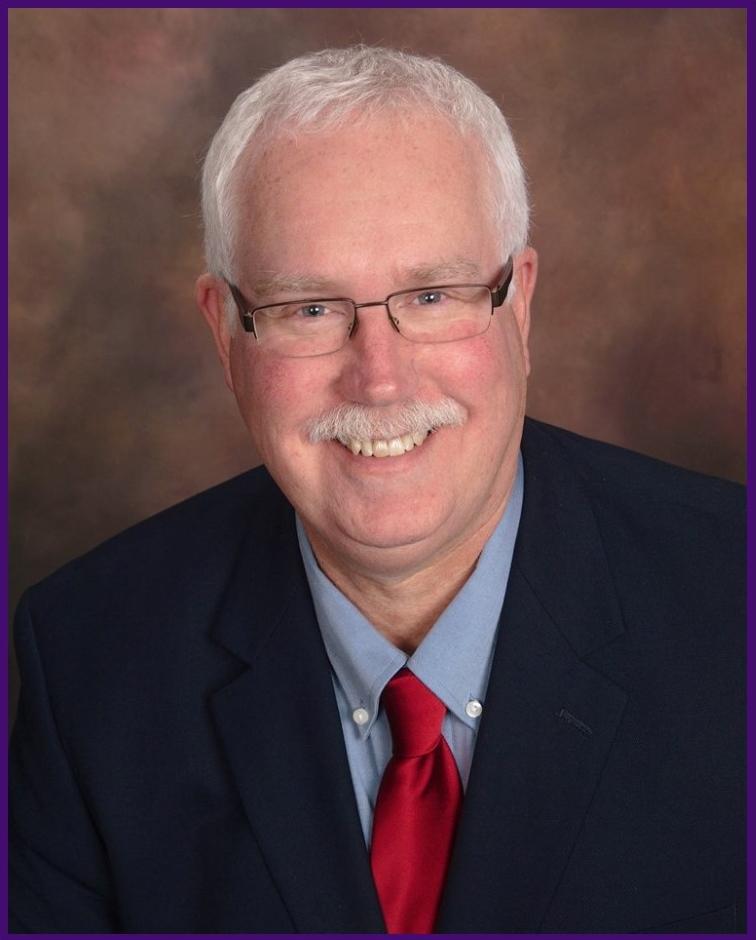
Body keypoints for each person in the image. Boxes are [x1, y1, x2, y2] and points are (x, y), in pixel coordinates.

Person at [9, 46, 744, 934]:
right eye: (310, 309)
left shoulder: (732, 604)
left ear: (519, 306)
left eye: (432, 295)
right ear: (225, 332)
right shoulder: (89, 662)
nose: (380, 380)